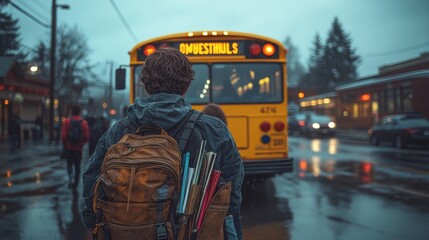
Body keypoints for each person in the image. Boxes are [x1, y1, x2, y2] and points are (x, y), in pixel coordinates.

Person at [81, 48, 244, 239]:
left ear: (145, 84)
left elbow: (90, 183)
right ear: (186, 85)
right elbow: (231, 196)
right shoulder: (214, 130)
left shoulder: (118, 131)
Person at [61, 105, 89, 189]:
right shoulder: (83, 122)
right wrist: (81, 143)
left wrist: (65, 144)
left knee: (69, 164)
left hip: (69, 148)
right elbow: (87, 137)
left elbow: (63, 136)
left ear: (71, 112)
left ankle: (71, 178)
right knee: (77, 166)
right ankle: (76, 184)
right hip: (78, 149)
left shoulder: (67, 121)